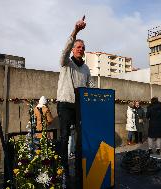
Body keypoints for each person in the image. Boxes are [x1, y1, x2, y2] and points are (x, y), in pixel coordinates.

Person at [56, 16, 94, 181]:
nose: (80, 49)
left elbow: (90, 86)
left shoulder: (86, 68)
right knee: (64, 137)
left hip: (80, 106)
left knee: (80, 139)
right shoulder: (66, 62)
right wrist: (76, 31)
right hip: (65, 104)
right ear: (73, 49)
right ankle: (63, 170)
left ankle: (79, 168)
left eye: (83, 47)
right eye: (78, 46)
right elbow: (64, 49)